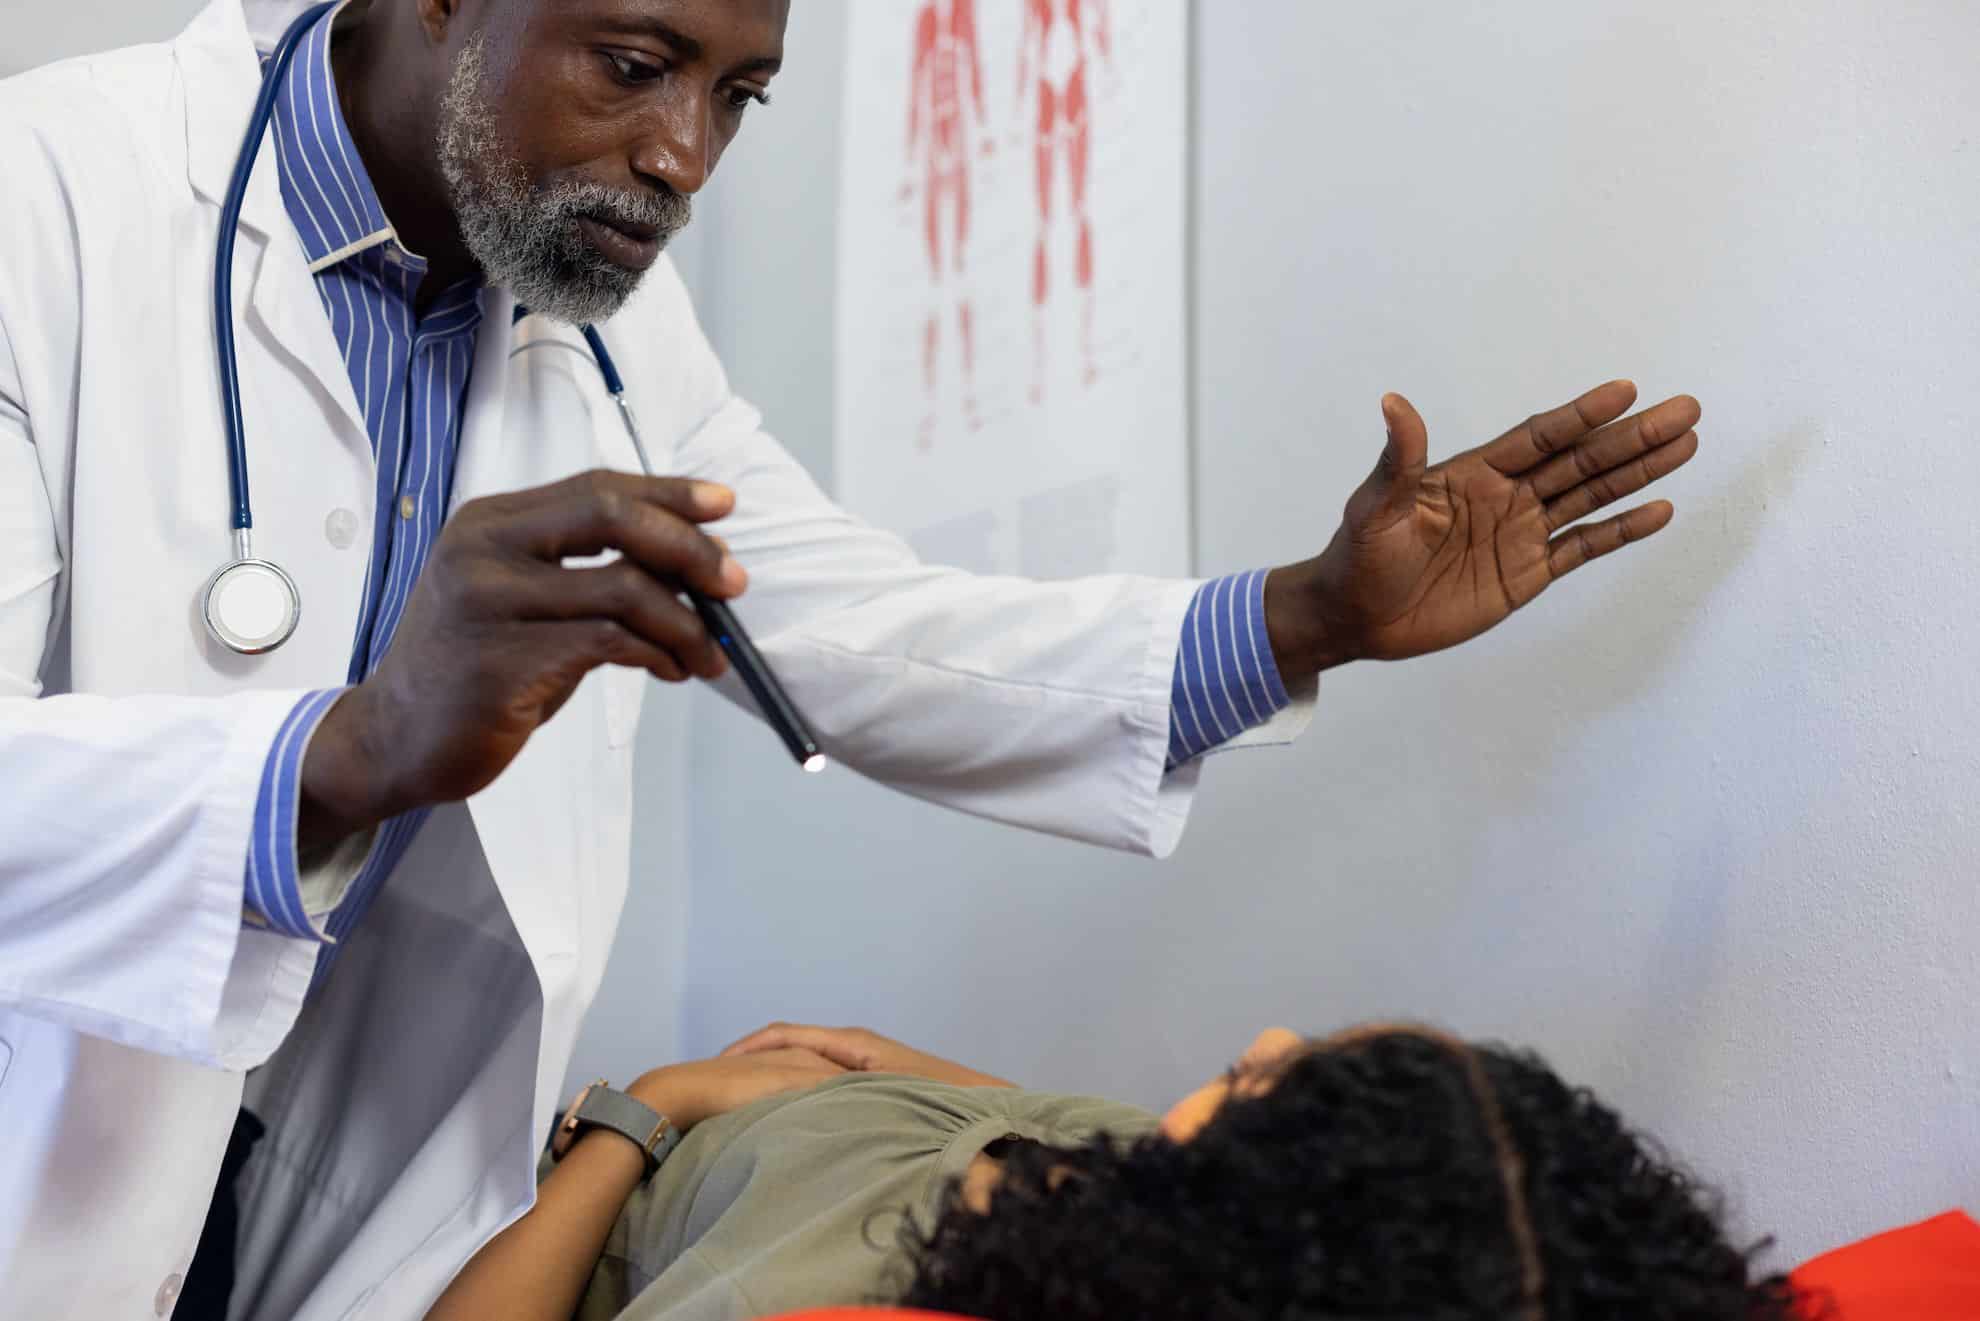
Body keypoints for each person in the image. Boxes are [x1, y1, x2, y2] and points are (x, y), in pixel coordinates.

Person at [0, 0, 1702, 1315]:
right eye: (638, 62)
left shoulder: (596, 317)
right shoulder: (48, 203)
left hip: (324, 1165)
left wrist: (1300, 620)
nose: (683, 156)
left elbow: (835, 622)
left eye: (738, 95)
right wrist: (349, 749)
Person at [424, 1022, 1807, 1321]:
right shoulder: (1157, 1201)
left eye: (1282, 1084)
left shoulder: (817, 1286)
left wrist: (642, 1112)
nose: (1262, 1036)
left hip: (524, 1180)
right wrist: (951, 1088)